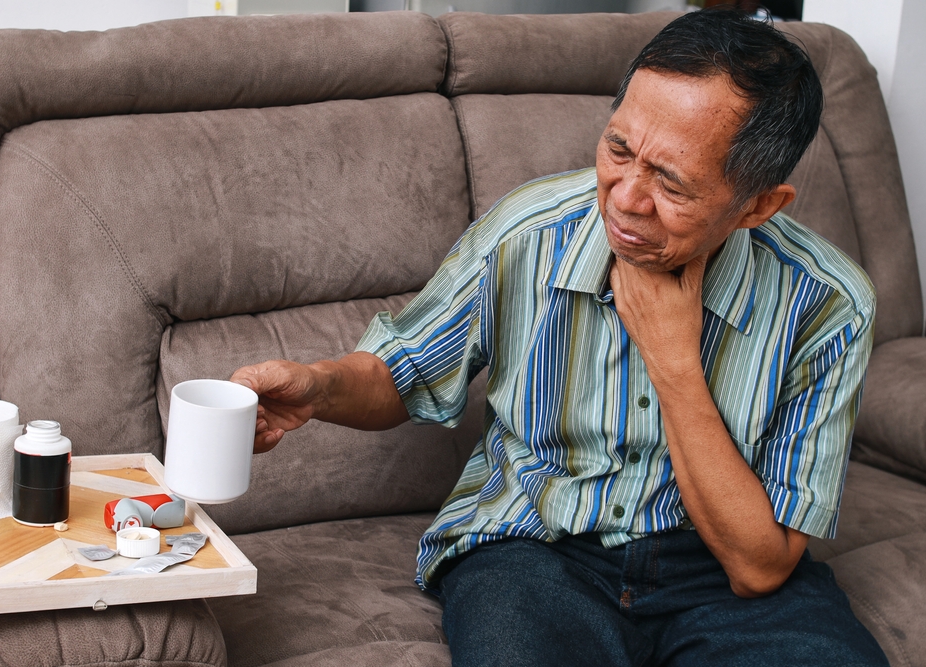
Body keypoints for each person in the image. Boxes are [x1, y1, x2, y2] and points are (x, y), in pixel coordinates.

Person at [230, 8, 889, 666]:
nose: (625, 198)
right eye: (619, 149)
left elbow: (759, 566)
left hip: (721, 574)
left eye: (672, 183)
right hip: (534, 548)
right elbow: (401, 371)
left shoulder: (828, 303)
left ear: (758, 206)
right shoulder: (531, 231)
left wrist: (674, 361)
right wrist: (317, 386)